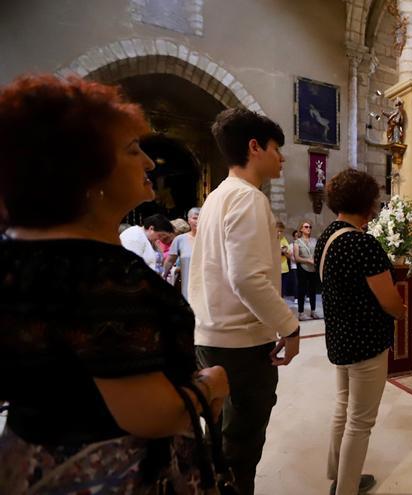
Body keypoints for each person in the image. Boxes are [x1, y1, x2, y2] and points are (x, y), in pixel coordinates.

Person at [0, 75, 229, 491]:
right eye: (132, 150)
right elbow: (149, 412)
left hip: (29, 455)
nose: (148, 163)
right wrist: (210, 384)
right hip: (108, 471)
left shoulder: (16, 254)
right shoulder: (97, 274)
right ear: (84, 172)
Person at [188, 107, 301, 495]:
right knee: (241, 449)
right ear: (254, 147)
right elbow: (247, 278)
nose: (281, 157)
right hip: (240, 345)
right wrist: (290, 325)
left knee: (218, 442)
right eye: (276, 148)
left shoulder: (217, 196)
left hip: (210, 336)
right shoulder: (248, 199)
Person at [316, 169, 406, 495]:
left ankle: (337, 474)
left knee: (344, 407)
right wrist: (401, 311)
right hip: (365, 341)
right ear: (367, 203)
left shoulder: (326, 238)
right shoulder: (361, 244)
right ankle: (347, 488)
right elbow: (388, 299)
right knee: (360, 421)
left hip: (340, 338)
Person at [163, 207, 200, 300]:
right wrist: (163, 277)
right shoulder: (180, 239)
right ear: (188, 220)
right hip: (187, 286)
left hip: (208, 285)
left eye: (201, 218)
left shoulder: (211, 238)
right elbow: (169, 261)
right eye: (195, 218)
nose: (198, 221)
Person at [294, 220, 320, 319]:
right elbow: (297, 258)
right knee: (302, 290)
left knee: (312, 290)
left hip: (313, 269)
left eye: (309, 227)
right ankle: (301, 313)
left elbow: (317, 253)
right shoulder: (297, 242)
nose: (308, 228)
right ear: (301, 229)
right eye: (306, 227)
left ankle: (313, 311)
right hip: (303, 268)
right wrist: (307, 260)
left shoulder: (314, 240)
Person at [277, 221, 297, 299]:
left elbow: (289, 255)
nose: (279, 233)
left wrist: (283, 252)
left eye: (281, 231)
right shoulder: (270, 240)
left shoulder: (284, 239)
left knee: (282, 292)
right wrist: (281, 250)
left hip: (285, 269)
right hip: (275, 270)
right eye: (278, 231)